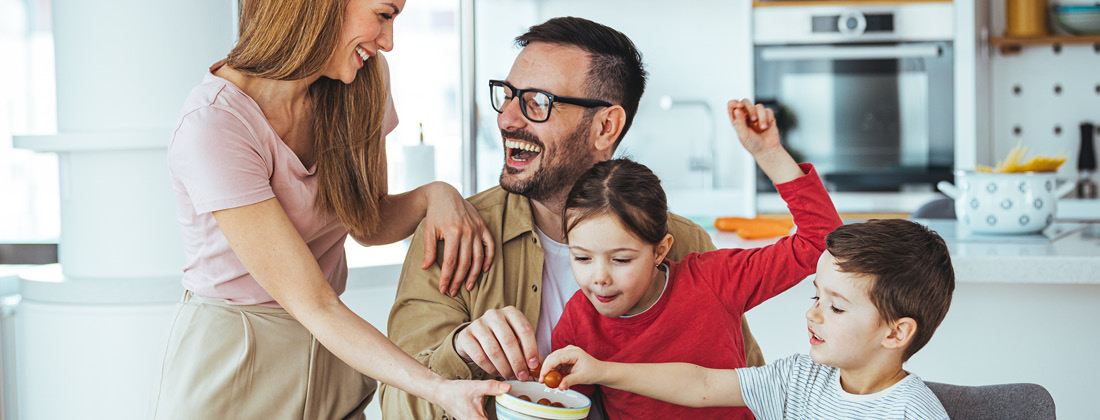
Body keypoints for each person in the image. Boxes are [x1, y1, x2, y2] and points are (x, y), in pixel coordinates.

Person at [381, 17, 767, 418]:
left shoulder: (682, 244)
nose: (508, 118)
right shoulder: (453, 234)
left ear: (605, 127)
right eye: (508, 95)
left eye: (537, 102)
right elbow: (396, 408)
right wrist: (460, 352)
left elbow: (750, 389)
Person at [152, 1, 507, 419]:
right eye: (383, 15)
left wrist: (435, 195)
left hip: (329, 352)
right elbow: (314, 303)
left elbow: (368, 221)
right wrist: (440, 389)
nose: (388, 42)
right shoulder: (215, 124)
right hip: (237, 359)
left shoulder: (362, 82)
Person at [539, 99, 842, 419]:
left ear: (660, 250)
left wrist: (769, 154)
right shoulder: (578, 321)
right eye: (582, 258)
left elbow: (821, 240)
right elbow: (566, 407)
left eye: (622, 260)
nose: (599, 277)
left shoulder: (715, 280)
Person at [540, 218, 955, 420]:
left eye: (837, 307)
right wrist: (602, 370)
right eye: (816, 296)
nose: (812, 313)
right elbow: (701, 384)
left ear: (896, 332)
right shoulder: (799, 379)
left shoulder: (912, 412)